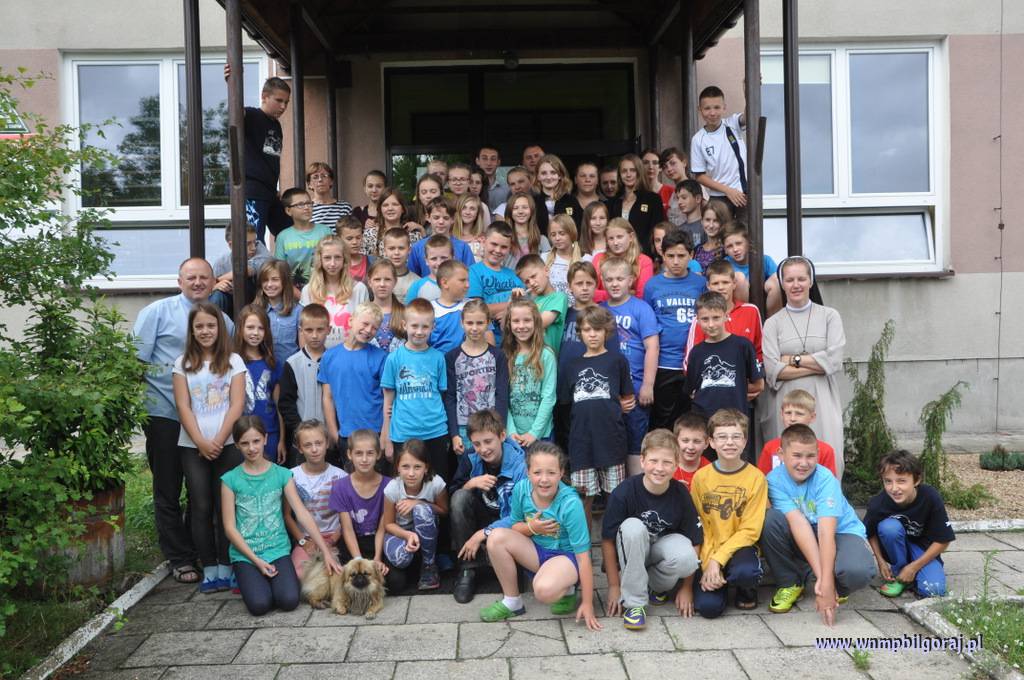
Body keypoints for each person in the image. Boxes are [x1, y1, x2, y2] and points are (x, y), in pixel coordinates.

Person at [133, 258, 233, 585]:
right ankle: (179, 557)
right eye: (191, 277)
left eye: (204, 277)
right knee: (168, 487)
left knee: (200, 490)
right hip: (165, 413)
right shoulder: (156, 313)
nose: (198, 282)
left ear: (214, 282)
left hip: (206, 422)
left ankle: (199, 550)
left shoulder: (223, 321)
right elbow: (134, 363)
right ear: (179, 281)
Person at [222, 416, 342, 615]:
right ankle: (248, 577)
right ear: (236, 445)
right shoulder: (230, 479)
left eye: (256, 441)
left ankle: (265, 582)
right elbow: (229, 527)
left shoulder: (282, 474)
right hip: (246, 554)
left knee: (289, 600)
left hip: (277, 550)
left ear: (265, 439)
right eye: (244, 443)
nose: (251, 448)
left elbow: (302, 513)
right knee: (260, 605)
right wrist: (256, 560)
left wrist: (326, 552)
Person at [761, 424, 876, 625]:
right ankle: (791, 581)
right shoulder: (773, 480)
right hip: (804, 530)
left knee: (858, 571)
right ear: (781, 454)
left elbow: (826, 533)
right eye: (797, 455)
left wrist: (827, 585)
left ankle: (837, 584)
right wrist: (824, 581)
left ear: (818, 454)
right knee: (769, 520)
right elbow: (799, 525)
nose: (804, 463)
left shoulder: (825, 478)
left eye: (810, 456)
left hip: (840, 532)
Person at [480, 441, 601, 630]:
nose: (544, 479)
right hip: (536, 551)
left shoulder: (570, 504)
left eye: (551, 473)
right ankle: (512, 601)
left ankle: (569, 588)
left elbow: (583, 557)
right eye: (537, 472)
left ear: (561, 473)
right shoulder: (521, 489)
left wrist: (588, 603)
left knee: (543, 590)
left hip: (566, 557)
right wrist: (533, 528)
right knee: (496, 537)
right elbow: (515, 526)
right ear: (528, 472)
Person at [172, 301, 246, 593]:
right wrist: (201, 441)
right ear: (192, 330)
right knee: (201, 505)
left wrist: (219, 439)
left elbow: (237, 404)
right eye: (199, 326)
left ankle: (227, 564)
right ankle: (209, 566)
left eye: (211, 326)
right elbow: (182, 405)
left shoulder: (233, 361)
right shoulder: (182, 364)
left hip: (227, 444)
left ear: (220, 328)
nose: (205, 331)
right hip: (193, 446)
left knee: (225, 505)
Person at [602, 429, 702, 629]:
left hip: (657, 554)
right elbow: (607, 541)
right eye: (653, 461)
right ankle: (635, 604)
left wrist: (687, 587)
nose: (659, 468)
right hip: (632, 551)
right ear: (642, 461)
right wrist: (613, 586)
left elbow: (695, 540)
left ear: (676, 464)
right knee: (632, 527)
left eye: (667, 462)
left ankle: (655, 587)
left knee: (688, 558)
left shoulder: (681, 493)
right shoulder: (624, 492)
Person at [761, 256, 846, 478]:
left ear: (811, 281)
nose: (796, 285)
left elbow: (835, 360)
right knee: (787, 460)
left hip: (822, 397)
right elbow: (772, 369)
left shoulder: (829, 316)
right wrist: (819, 363)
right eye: (789, 280)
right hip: (785, 399)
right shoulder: (772, 323)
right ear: (782, 284)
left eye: (801, 279)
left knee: (827, 455)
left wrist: (792, 359)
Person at [560, 305, 633, 530]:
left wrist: (617, 406)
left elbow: (628, 398)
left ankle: (612, 544)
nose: (592, 334)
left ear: (606, 332)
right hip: (581, 442)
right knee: (583, 498)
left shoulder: (617, 361)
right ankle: (584, 547)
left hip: (612, 439)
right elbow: (565, 404)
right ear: (580, 332)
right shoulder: (572, 365)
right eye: (587, 329)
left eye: (597, 329)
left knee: (615, 497)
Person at [690, 409, 767, 617]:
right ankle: (719, 581)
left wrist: (718, 560)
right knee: (708, 608)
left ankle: (745, 589)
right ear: (711, 442)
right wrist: (708, 563)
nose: (729, 442)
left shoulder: (756, 478)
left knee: (745, 572)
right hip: (710, 548)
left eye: (736, 437)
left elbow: (750, 530)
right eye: (722, 437)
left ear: (745, 441)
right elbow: (701, 525)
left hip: (740, 547)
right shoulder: (701, 478)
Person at [449, 409, 528, 603]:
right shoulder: (470, 458)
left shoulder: (520, 464)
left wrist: (481, 534)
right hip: (481, 517)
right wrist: (471, 483)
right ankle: (467, 569)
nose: (483, 449)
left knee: (518, 583)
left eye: (488, 441)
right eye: (477, 444)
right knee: (460, 498)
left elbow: (521, 515)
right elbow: (452, 494)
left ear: (502, 436)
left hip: (509, 524)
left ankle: (505, 561)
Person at [684, 292, 763, 461]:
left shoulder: (742, 346)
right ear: (697, 320)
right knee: (707, 466)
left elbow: (758, 384)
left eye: (716, 318)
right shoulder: (696, 352)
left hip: (735, 421)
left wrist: (737, 388)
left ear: (726, 316)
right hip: (704, 422)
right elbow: (691, 390)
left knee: (736, 465)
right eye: (705, 319)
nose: (711, 324)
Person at [865, 450, 955, 598]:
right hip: (895, 547)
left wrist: (914, 567)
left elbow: (943, 540)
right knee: (889, 527)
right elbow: (870, 532)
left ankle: (911, 575)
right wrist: (880, 561)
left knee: (934, 590)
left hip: (923, 549)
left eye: (901, 481)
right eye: (888, 481)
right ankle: (900, 576)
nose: (894, 488)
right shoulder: (877, 503)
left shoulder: (930, 497)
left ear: (916, 480)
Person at [599, 257, 659, 475]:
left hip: (634, 386)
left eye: (620, 279)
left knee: (635, 440)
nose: (615, 284)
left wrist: (648, 385)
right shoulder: (600, 310)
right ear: (602, 281)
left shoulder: (641, 308)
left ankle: (635, 486)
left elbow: (652, 347)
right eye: (609, 280)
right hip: (606, 388)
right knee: (609, 440)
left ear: (631, 280)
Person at [644, 229, 706, 430]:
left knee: (694, 421)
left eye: (681, 255)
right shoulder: (652, 285)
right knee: (664, 421)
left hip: (694, 362)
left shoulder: (700, 284)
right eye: (670, 256)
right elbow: (648, 326)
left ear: (691, 255)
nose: (676, 261)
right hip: (665, 363)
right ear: (662, 255)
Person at [381, 299, 451, 477]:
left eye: (425, 327)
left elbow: (442, 395)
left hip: (435, 431)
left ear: (433, 327)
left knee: (437, 483)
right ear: (404, 325)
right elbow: (388, 401)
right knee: (407, 482)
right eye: (414, 326)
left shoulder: (438, 358)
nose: (419, 332)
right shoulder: (394, 359)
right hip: (404, 433)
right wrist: (386, 436)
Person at [320, 302, 387, 456]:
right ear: (351, 320)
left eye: (374, 328)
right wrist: (334, 433)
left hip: (374, 433)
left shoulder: (381, 357)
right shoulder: (329, 356)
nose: (368, 330)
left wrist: (385, 434)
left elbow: (388, 399)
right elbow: (328, 397)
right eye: (365, 324)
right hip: (346, 434)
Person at [444, 299, 509, 455]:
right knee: (467, 467)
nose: (474, 328)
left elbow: (502, 395)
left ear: (488, 323)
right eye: (469, 323)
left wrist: (500, 427)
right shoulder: (452, 357)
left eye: (480, 323)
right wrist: (454, 434)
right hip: (463, 428)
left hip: (490, 426)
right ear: (462, 323)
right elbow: (450, 397)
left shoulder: (497, 356)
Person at [382, 440, 449, 590]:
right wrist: (407, 535)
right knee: (400, 560)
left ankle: (429, 565)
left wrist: (418, 502)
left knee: (421, 510)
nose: (411, 473)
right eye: (405, 467)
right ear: (398, 467)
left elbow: (444, 511)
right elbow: (388, 524)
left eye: (417, 467)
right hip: (401, 533)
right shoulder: (392, 488)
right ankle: (416, 561)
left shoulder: (436, 483)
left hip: (428, 531)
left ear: (426, 468)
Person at [285, 419, 347, 578]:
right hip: (307, 538)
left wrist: (333, 539)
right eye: (307, 445)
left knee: (337, 574)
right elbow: (287, 515)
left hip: (335, 536)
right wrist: (303, 541)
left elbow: (347, 516)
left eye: (318, 443)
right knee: (300, 575)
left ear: (327, 443)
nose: (314, 449)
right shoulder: (291, 476)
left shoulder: (340, 476)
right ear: (299, 448)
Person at [329, 430, 392, 577]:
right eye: (358, 453)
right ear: (349, 454)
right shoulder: (340, 486)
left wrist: (377, 558)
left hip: (378, 542)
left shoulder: (389, 485)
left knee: (395, 581)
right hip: (352, 543)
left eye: (370, 453)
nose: (364, 459)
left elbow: (383, 527)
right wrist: (359, 560)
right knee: (352, 578)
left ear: (378, 454)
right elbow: (347, 529)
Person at [279, 304, 330, 467]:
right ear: (300, 330)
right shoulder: (292, 363)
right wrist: (299, 431)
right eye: (309, 330)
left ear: (328, 330)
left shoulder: (335, 361)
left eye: (320, 330)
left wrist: (333, 431)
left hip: (329, 438)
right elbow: (286, 403)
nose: (314, 335)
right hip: (301, 441)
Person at [234, 304, 286, 463]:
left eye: (260, 328)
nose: (255, 333)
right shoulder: (232, 362)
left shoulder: (273, 363)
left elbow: (279, 405)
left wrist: (282, 439)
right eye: (250, 327)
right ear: (240, 329)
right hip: (240, 434)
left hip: (269, 432)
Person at [503, 299, 557, 447]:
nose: (521, 326)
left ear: (536, 322)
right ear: (509, 324)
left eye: (527, 320)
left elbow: (549, 397)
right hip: (513, 435)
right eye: (516, 321)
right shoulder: (505, 356)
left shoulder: (546, 355)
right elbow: (502, 397)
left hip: (541, 435)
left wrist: (534, 433)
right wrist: (511, 431)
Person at [300, 234, 371, 349]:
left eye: (337, 257)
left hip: (350, 353)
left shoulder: (359, 289)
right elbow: (302, 330)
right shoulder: (308, 290)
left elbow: (364, 327)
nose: (332, 263)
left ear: (344, 260)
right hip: (318, 354)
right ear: (320, 260)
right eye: (327, 258)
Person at [687, 259, 763, 363]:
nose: (721, 287)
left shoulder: (751, 311)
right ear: (708, 286)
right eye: (715, 283)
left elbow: (760, 351)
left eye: (725, 282)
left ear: (734, 284)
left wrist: (752, 370)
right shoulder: (702, 319)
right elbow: (691, 360)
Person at [244, 77, 290, 243]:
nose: (283, 106)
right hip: (252, 190)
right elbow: (233, 111)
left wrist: (274, 187)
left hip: (270, 191)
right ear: (264, 96)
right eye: (279, 100)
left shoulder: (276, 125)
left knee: (289, 232)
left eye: (286, 102)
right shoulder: (251, 115)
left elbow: (269, 159)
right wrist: (231, 80)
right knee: (254, 240)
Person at [690, 85, 748, 211]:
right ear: (699, 110)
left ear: (724, 107)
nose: (712, 113)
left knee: (747, 225)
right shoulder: (698, 139)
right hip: (718, 197)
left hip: (743, 193)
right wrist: (727, 190)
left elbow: (748, 117)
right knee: (717, 225)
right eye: (707, 108)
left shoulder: (732, 123)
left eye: (717, 107)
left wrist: (748, 93)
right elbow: (699, 176)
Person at [757, 389, 837, 477]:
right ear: (781, 415)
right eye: (788, 413)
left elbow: (828, 482)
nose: (792, 418)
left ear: (812, 417)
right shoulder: (770, 447)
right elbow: (762, 479)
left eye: (799, 414)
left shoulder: (825, 450)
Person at [468, 221, 524, 344]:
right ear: (484, 241)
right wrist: (510, 306)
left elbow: (527, 307)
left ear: (509, 248)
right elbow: (476, 310)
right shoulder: (473, 272)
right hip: (486, 342)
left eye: (504, 247)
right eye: (494, 244)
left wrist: (508, 313)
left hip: (515, 342)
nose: (498, 250)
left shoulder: (514, 275)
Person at [274, 188, 334, 287]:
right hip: (294, 291)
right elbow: (280, 271)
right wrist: (298, 294)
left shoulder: (325, 231)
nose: (306, 207)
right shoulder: (283, 237)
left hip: (325, 288)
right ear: (288, 211)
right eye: (300, 204)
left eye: (309, 203)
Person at [608, 153, 665, 252]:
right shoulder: (613, 202)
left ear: (639, 172)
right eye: (624, 171)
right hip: (617, 256)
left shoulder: (653, 199)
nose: (628, 174)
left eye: (633, 170)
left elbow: (657, 231)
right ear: (619, 175)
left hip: (644, 255)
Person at [722, 222, 782, 315]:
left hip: (764, 304)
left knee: (777, 279)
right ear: (725, 249)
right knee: (739, 278)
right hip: (736, 308)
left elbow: (780, 281)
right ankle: (744, 317)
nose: (735, 249)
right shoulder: (725, 264)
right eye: (730, 246)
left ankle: (773, 321)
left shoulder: (764, 260)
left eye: (739, 243)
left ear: (748, 243)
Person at [408, 196, 476, 277]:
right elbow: (412, 277)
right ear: (428, 217)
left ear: (453, 219)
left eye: (446, 218)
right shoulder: (417, 248)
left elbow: (471, 276)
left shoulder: (463, 247)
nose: (441, 222)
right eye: (436, 218)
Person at [211, 223, 271, 314]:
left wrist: (217, 280)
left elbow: (245, 270)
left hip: (258, 302)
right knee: (217, 295)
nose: (253, 248)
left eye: (254, 242)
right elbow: (207, 289)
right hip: (229, 305)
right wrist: (216, 286)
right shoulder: (221, 263)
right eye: (248, 244)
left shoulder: (260, 249)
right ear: (231, 245)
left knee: (245, 281)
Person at [515, 254, 568, 354]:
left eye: (533, 276)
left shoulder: (559, 297)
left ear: (546, 271)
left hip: (546, 359)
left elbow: (540, 323)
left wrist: (518, 318)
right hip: (527, 356)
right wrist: (513, 303)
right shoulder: (531, 301)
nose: (532, 283)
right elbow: (505, 327)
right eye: (527, 281)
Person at [592, 218, 654, 303]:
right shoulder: (599, 258)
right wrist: (626, 294)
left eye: (619, 237)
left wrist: (606, 294)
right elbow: (591, 293)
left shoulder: (644, 261)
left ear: (631, 237)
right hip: (603, 309)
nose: (615, 243)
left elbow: (642, 296)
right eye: (611, 238)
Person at [255, 259, 302, 363]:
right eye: (265, 280)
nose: (269, 284)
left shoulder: (298, 311)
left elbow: (303, 348)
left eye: (275, 279)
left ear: (285, 281)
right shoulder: (255, 311)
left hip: (289, 369)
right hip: (263, 369)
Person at [429, 260, 470, 354]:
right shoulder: (429, 310)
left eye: (468, 280)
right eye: (462, 280)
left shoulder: (474, 306)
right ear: (445, 283)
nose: (468, 285)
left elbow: (488, 337)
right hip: (439, 361)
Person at [365, 259, 407, 353]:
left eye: (387, 279)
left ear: (395, 281)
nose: (382, 284)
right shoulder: (362, 313)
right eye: (377, 279)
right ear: (369, 282)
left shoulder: (405, 313)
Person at [543, 214, 582, 303]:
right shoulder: (544, 258)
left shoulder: (583, 259)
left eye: (562, 233)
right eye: (553, 235)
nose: (557, 238)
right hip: (551, 308)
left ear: (571, 233)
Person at [404, 234, 452, 304]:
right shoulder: (417, 286)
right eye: (434, 259)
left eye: (444, 258)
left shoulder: (461, 283)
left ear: (453, 258)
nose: (439, 263)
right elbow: (408, 310)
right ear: (426, 260)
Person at [554, 160, 602, 229]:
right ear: (575, 180)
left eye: (592, 176)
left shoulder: (607, 204)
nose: (587, 180)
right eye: (583, 176)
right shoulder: (564, 202)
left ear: (598, 180)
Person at [505, 191, 551, 263]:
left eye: (525, 207)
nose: (520, 211)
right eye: (515, 208)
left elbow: (548, 265)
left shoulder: (542, 240)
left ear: (532, 210)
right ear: (510, 212)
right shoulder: (504, 239)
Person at [307, 162, 353, 228]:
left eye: (324, 176)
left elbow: (351, 231)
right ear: (309, 184)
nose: (320, 180)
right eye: (315, 177)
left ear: (331, 181)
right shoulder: (306, 209)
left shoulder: (345, 207)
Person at [380, 227, 420, 301]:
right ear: (384, 250)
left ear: (409, 250)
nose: (396, 253)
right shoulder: (378, 280)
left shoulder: (417, 282)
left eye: (401, 248)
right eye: (392, 248)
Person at [673, 413, 711, 489]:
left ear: (706, 443)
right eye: (685, 441)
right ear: (676, 441)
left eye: (697, 441)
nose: (690, 447)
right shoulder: (665, 466)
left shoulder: (710, 470)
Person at [352, 170, 386, 252]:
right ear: (365, 189)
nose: (374, 190)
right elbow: (351, 238)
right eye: (370, 186)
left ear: (385, 188)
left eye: (379, 186)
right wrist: (364, 229)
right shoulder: (358, 212)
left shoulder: (391, 212)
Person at [693, 201, 729, 272]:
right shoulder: (697, 249)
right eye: (707, 220)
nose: (711, 225)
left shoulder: (727, 250)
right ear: (702, 221)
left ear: (723, 222)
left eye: (716, 221)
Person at [337, 216, 374, 284]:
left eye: (358, 238)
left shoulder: (373, 262)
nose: (355, 242)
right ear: (339, 239)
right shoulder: (335, 264)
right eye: (349, 239)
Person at [534, 154, 572, 219]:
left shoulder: (571, 200)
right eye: (544, 173)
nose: (548, 177)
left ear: (560, 175)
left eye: (553, 172)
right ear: (538, 176)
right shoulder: (532, 202)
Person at [672, 179, 705, 246]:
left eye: (684, 198)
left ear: (698, 198)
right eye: (678, 198)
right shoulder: (679, 229)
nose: (679, 202)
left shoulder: (707, 226)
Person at [456, 194, 489, 262]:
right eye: (464, 208)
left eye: (472, 209)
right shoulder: (449, 236)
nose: (467, 212)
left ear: (477, 213)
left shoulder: (484, 239)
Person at [476, 144, 508, 212]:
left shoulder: (507, 188)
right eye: (484, 158)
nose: (489, 163)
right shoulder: (470, 187)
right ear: (477, 161)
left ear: (498, 162)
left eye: (493, 159)